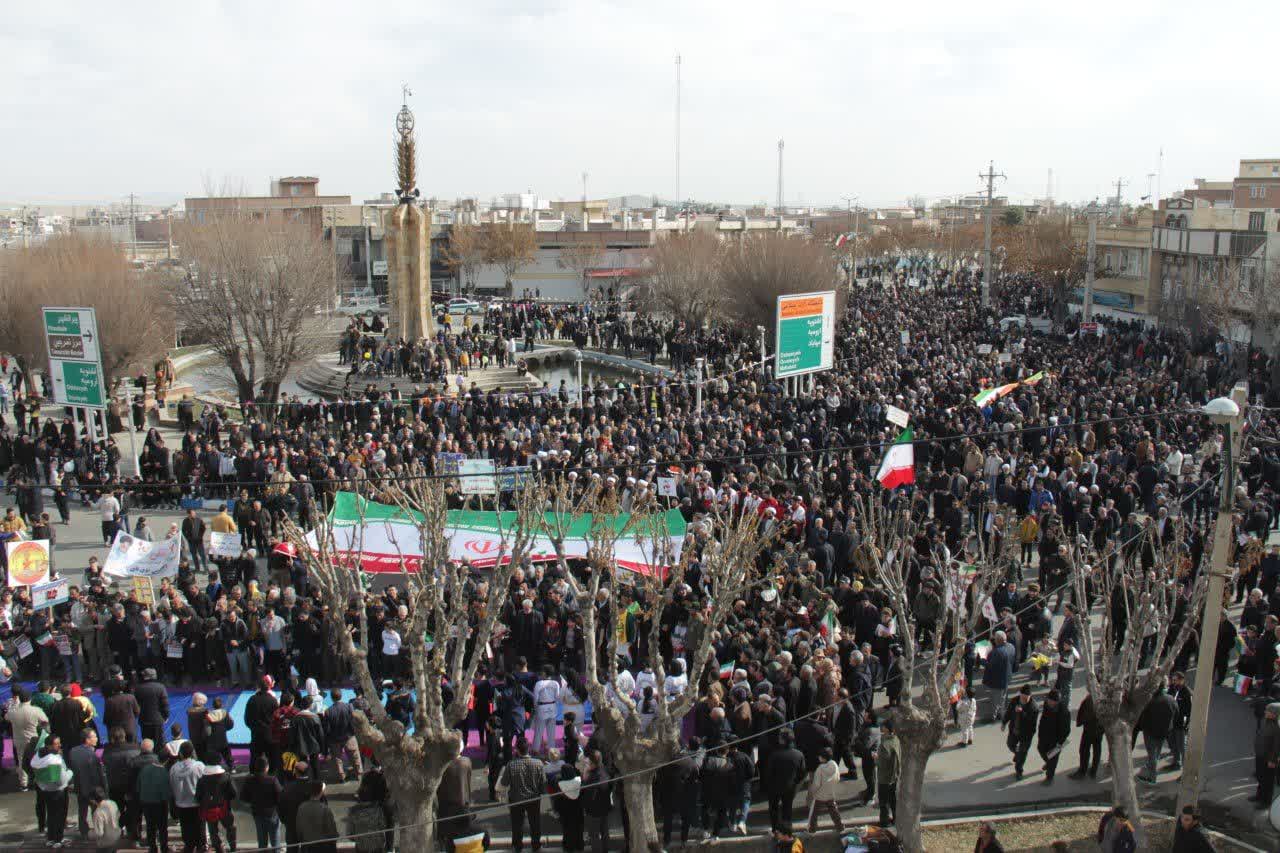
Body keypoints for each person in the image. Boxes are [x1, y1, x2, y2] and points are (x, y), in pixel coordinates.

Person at [499, 738, 546, 853]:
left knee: (517, 825)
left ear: (517, 750)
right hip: (534, 798)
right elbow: (543, 783)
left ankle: (517, 846)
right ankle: (536, 845)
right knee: (535, 823)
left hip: (516, 799)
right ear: (528, 749)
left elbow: (504, 783)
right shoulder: (538, 763)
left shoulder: (511, 764)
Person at [31, 734, 73, 848]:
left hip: (45, 790)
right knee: (59, 815)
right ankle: (59, 839)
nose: (59, 745)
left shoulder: (37, 756)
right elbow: (61, 780)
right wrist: (70, 773)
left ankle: (50, 838)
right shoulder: (54, 760)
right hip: (58, 791)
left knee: (51, 814)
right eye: (57, 744)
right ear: (49, 746)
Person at [68, 727, 108, 840]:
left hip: (80, 787)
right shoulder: (92, 756)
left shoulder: (73, 751)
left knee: (82, 811)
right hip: (92, 788)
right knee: (96, 811)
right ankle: (98, 831)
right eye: (94, 736)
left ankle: (84, 833)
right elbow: (97, 775)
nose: (97, 738)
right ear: (87, 740)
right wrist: (103, 790)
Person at [765, 728, 806, 833]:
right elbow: (802, 774)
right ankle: (787, 830)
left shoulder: (774, 755)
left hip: (774, 787)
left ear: (782, 740)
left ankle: (775, 829)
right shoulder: (798, 754)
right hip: (790, 787)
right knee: (787, 809)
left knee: (774, 808)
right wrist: (795, 784)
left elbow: (769, 773)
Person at [133, 738, 171, 853]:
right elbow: (166, 791)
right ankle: (164, 847)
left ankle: (153, 848)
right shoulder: (164, 772)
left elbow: (138, 787)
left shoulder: (144, 769)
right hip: (160, 803)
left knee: (150, 826)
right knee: (162, 827)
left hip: (146, 802)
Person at [8, 685, 49, 791]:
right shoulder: (36, 710)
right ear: (30, 698)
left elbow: (6, 717)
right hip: (33, 739)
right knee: (37, 759)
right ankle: (39, 780)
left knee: (21, 761)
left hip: (19, 740)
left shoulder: (13, 711)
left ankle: (24, 784)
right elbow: (45, 721)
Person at [1135, 683, 1177, 784]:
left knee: (1152, 754)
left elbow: (1142, 716)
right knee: (1157, 750)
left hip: (1150, 731)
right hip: (1164, 731)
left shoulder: (1150, 700)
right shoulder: (1171, 699)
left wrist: (1142, 726)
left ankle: (1152, 778)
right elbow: (1176, 712)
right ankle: (1151, 766)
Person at [240, 754, 283, 852]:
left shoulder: (249, 780)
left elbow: (243, 797)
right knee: (275, 840)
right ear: (266, 767)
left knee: (262, 840)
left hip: (257, 813)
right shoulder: (272, 780)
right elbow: (280, 796)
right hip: (272, 813)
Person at [169, 741, 207, 851]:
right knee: (200, 831)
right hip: (196, 804)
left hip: (181, 804)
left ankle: (189, 846)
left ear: (180, 753)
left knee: (186, 831)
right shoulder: (199, 766)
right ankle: (200, 847)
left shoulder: (174, 768)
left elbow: (171, 786)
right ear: (192, 752)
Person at [197, 762, 237, 853]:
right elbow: (233, 793)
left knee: (213, 832)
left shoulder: (202, 779)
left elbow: (198, 796)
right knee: (230, 828)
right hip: (224, 808)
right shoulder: (226, 777)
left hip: (209, 809)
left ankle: (219, 849)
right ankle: (233, 848)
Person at [1002, 685, 1039, 781]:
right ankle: (1017, 754)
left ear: (1030, 696)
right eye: (1022, 697)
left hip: (1026, 734)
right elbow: (1009, 712)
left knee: (1022, 754)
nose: (1024, 699)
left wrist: (1022, 712)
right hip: (1014, 730)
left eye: (1026, 698)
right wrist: (1004, 722)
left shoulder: (1033, 707)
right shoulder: (1015, 701)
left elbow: (1031, 723)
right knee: (1010, 744)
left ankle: (1019, 771)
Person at [806, 747, 844, 834]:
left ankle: (812, 830)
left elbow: (816, 784)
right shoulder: (834, 765)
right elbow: (837, 778)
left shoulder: (820, 769)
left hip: (819, 795)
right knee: (834, 811)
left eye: (819, 756)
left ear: (822, 758)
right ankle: (840, 827)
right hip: (830, 793)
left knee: (814, 813)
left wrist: (812, 791)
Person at [1035, 690, 1070, 784]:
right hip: (1045, 736)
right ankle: (1048, 763)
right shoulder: (1047, 705)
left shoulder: (1064, 712)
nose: (1049, 702)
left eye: (1052, 701)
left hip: (1056, 740)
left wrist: (1060, 743)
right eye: (1048, 700)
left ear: (1057, 701)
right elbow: (1043, 719)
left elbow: (1066, 730)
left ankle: (1049, 778)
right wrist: (1040, 734)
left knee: (1053, 758)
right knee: (1040, 749)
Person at [981, 631, 1016, 723]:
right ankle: (1001, 713)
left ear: (996, 641)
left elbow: (989, 666)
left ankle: (993, 716)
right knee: (1003, 697)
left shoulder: (996, 652)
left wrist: (982, 659)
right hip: (1007, 677)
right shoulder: (1011, 647)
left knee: (994, 699)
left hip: (997, 680)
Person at [295, 780, 339, 853]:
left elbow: (299, 828)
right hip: (323, 846)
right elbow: (331, 829)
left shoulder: (301, 807)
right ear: (321, 792)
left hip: (307, 845)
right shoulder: (325, 809)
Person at [552, 763, 585, 853]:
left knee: (567, 829)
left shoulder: (559, 783)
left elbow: (557, 798)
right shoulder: (579, 781)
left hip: (565, 811)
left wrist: (556, 809)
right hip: (578, 809)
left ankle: (568, 847)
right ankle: (579, 845)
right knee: (579, 828)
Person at [1251, 701, 1280, 806]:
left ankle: (1265, 801)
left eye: (1268, 710)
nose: (1265, 712)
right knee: (1260, 777)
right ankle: (1259, 795)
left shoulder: (1277, 728)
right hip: (1260, 755)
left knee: (1267, 781)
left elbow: (1276, 746)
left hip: (1268, 758)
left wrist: (1272, 760)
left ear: (1274, 714)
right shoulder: (1266, 721)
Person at [876, 718, 901, 829]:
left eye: (883, 726)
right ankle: (896, 819)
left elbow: (882, 762)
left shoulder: (884, 744)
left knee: (883, 801)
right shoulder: (896, 740)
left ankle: (884, 822)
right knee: (893, 799)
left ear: (886, 728)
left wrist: (876, 758)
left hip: (884, 777)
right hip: (894, 775)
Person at [86, 787, 122, 852]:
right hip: (116, 836)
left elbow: (99, 833)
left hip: (106, 843)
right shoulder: (113, 803)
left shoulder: (98, 812)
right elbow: (118, 815)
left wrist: (89, 833)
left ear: (93, 800)